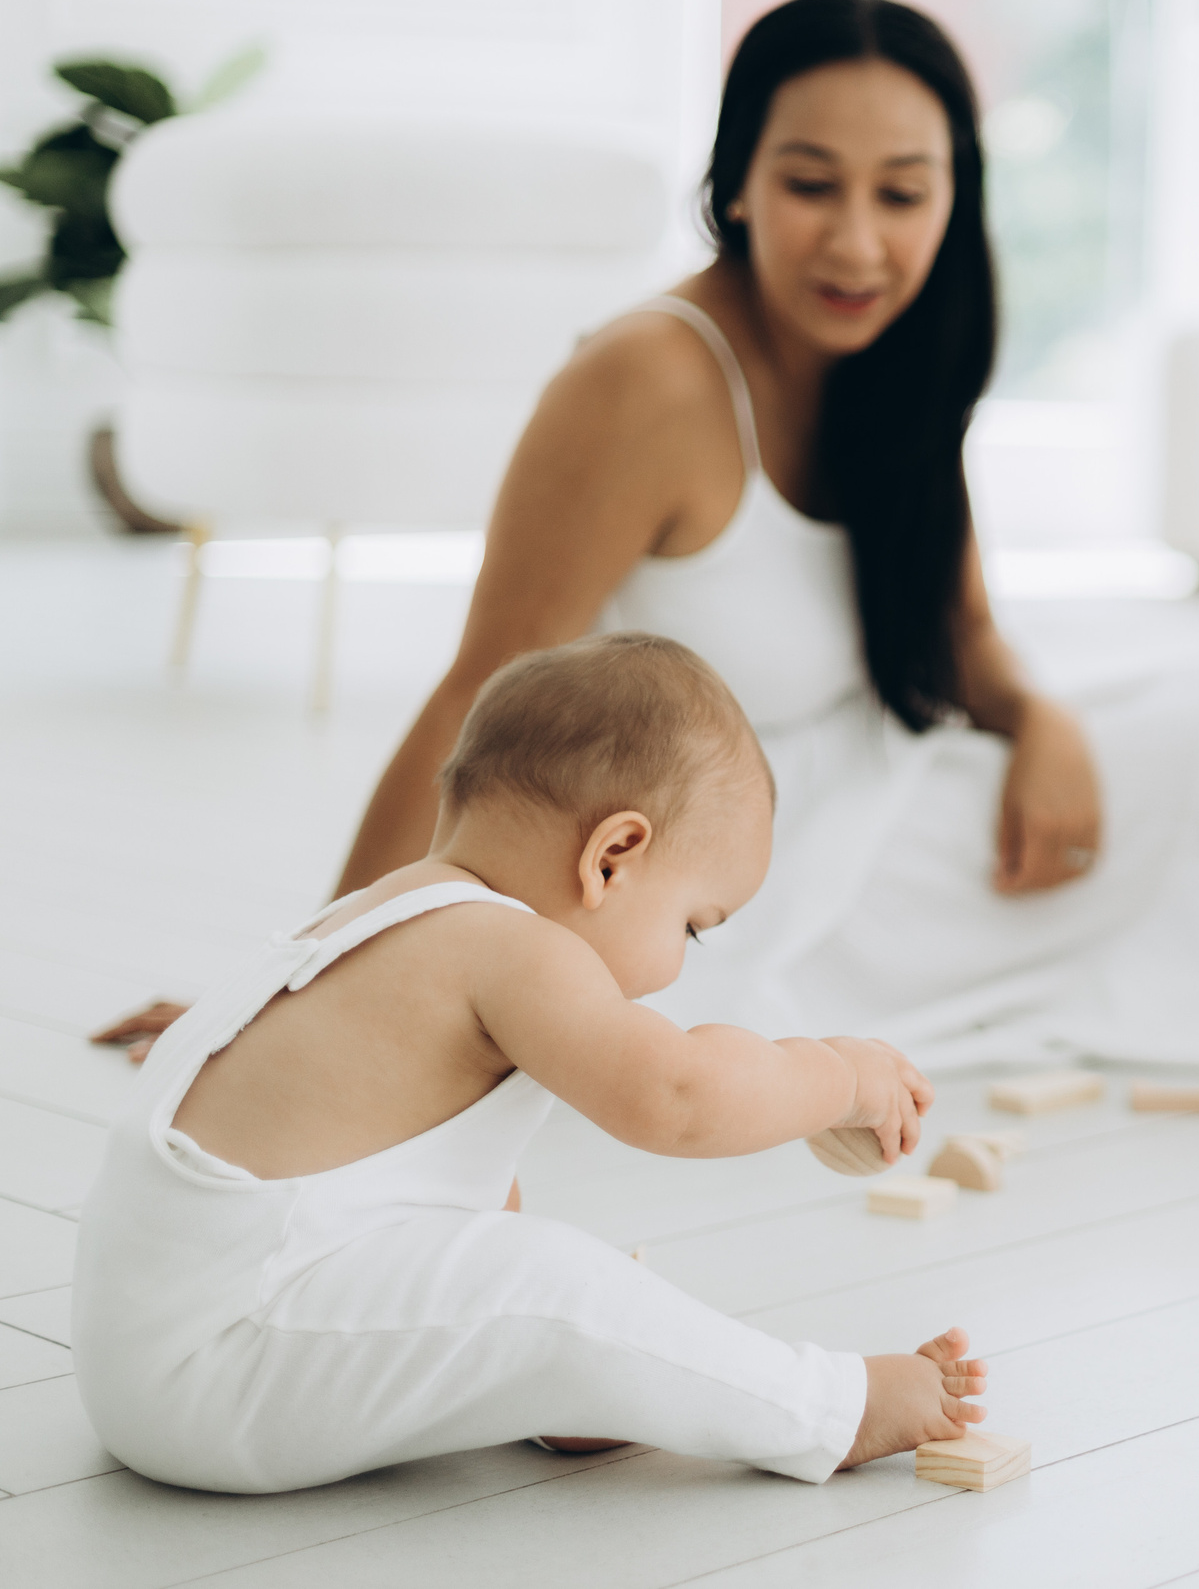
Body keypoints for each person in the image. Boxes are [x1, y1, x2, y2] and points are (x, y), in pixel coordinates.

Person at [92, 0, 1199, 1074]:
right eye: (811, 180)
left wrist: (1035, 715)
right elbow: (480, 698)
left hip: (888, 789)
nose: (860, 237)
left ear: (955, 196)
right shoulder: (641, 384)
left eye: (906, 191)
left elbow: (955, 642)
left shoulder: (903, 365)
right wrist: (297, 987)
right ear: (735, 179)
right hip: (756, 884)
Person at [75, 633, 987, 1493]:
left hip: (165, 1346)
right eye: (694, 927)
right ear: (612, 856)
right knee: (560, 1285)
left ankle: (570, 1387)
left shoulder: (387, 913)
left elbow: (440, 1212)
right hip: (222, 1364)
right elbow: (678, 1096)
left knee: (527, 1273)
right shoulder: (507, 948)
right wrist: (837, 1074)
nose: (677, 963)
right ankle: (827, 1406)